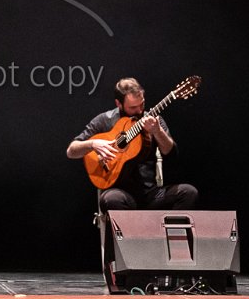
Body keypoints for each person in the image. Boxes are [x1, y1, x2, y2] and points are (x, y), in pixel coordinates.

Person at [67, 77, 199, 213]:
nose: (139, 110)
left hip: (150, 194)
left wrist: (157, 131)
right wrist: (93, 144)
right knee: (111, 199)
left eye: (142, 104)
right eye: (133, 107)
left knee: (188, 193)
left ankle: (170, 228)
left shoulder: (153, 121)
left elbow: (171, 155)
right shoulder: (104, 121)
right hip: (120, 193)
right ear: (118, 103)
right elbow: (71, 151)